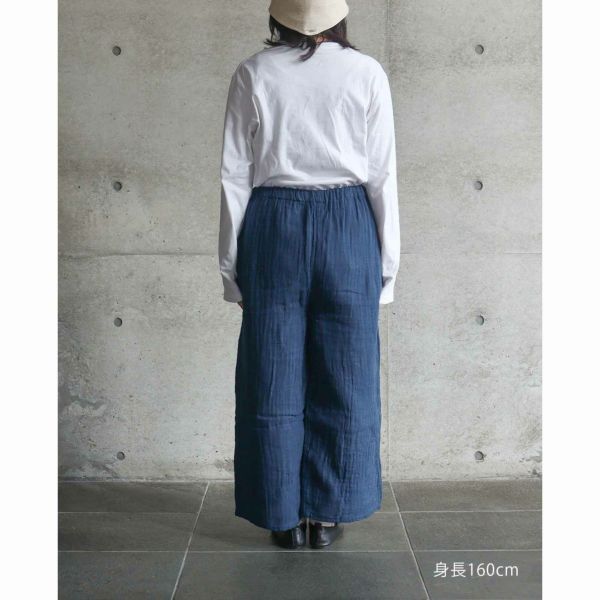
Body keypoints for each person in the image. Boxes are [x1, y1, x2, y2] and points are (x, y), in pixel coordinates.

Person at [218, 0, 400, 550]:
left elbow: (234, 174)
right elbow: (381, 174)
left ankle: (283, 517)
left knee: (271, 372)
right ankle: (326, 514)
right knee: (346, 376)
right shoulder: (366, 72)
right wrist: (387, 266)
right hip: (348, 224)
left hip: (273, 225)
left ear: (279, 17)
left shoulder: (254, 72)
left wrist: (231, 267)